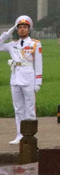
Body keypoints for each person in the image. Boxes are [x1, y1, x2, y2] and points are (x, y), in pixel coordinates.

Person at [1, 15, 42, 144]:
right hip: (15, 78)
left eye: (24, 27)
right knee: (18, 109)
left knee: (29, 107)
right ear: (16, 30)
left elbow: (39, 64)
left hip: (29, 78)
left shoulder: (34, 44)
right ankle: (19, 134)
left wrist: (38, 81)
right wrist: (8, 32)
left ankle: (29, 135)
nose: (22, 30)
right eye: (19, 28)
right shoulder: (12, 44)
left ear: (28, 29)